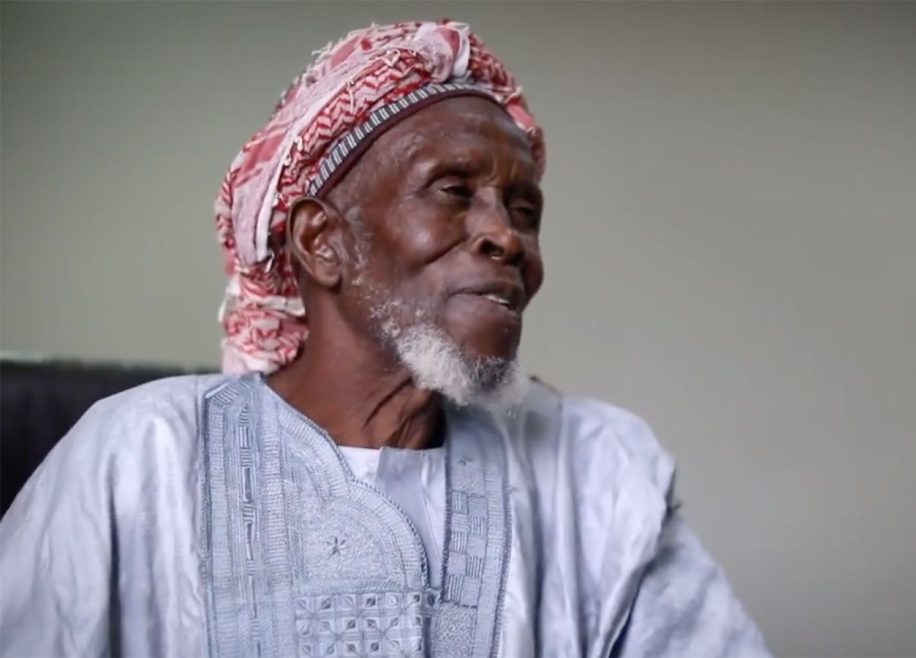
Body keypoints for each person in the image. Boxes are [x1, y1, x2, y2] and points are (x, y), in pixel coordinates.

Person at [0, 21, 768, 658]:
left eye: (524, 210)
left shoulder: (595, 471)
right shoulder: (139, 456)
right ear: (323, 242)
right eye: (454, 192)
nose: (506, 236)